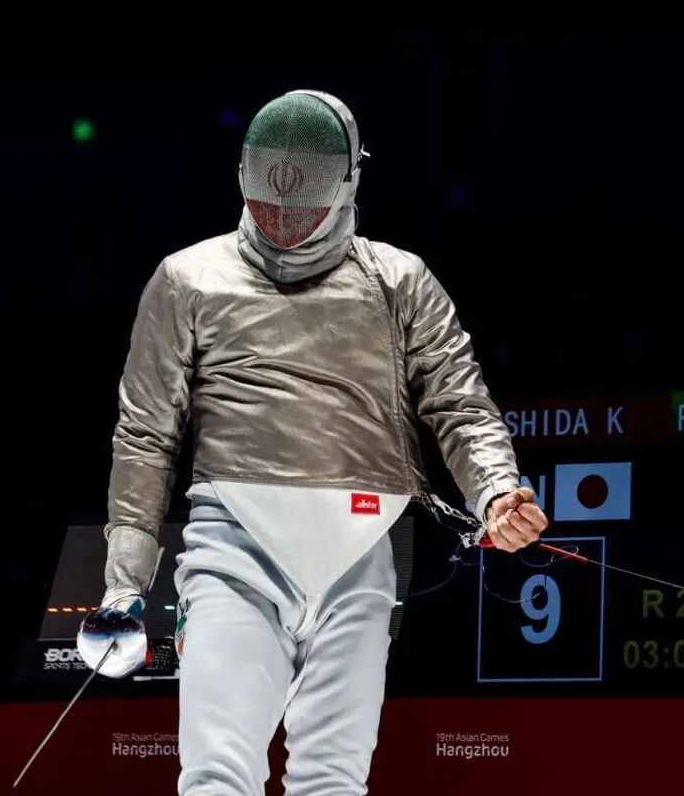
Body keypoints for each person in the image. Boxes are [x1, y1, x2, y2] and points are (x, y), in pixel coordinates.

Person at [96, 89, 548, 795]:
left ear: (348, 182)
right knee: (216, 775)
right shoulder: (187, 279)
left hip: (359, 556)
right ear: (244, 176)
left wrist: (495, 492)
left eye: (302, 204)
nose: (281, 218)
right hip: (233, 549)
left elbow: (460, 404)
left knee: (332, 782)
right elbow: (146, 433)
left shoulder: (399, 280)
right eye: (267, 198)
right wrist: (125, 581)